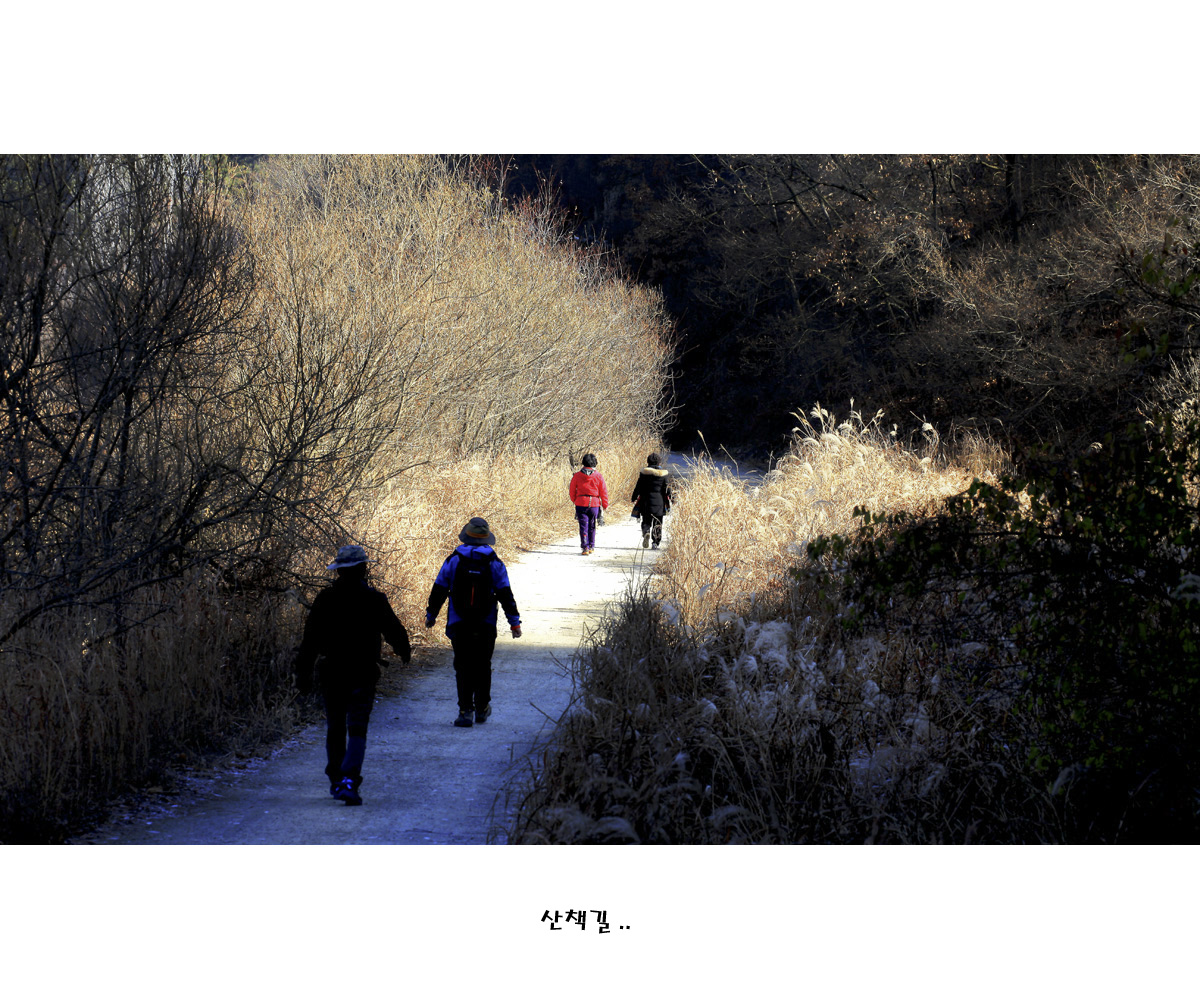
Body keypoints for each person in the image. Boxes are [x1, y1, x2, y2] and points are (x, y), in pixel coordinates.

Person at [295, 544, 411, 806]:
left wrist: (303, 672)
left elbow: (310, 640)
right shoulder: (374, 599)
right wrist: (403, 650)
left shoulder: (325, 599)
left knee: (335, 726)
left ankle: (337, 778)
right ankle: (349, 779)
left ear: (338, 571)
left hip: (332, 672)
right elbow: (393, 629)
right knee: (357, 726)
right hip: (363, 672)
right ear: (364, 569)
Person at [425, 516, 522, 727]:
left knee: (462, 666)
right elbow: (505, 593)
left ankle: (465, 711)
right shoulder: (494, 562)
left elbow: (439, 589)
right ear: (486, 538)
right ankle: (482, 708)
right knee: (483, 665)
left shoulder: (453, 560)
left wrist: (431, 615)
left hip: (459, 622)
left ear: (466, 536)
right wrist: (514, 622)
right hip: (485, 622)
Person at [568, 452, 609, 555]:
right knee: (592, 525)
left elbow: (572, 490)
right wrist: (605, 504)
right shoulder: (598, 476)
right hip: (594, 504)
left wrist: (575, 500)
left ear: (583, 462)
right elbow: (603, 491)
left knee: (583, 526)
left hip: (581, 503)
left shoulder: (577, 475)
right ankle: (591, 546)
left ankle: (585, 547)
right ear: (595, 463)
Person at [631, 452, 673, 549]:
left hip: (645, 502)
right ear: (659, 463)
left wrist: (634, 497)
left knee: (646, 521)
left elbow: (638, 487)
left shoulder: (643, 474)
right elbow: (667, 489)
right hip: (659, 503)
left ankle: (646, 532)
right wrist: (672, 498)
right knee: (657, 523)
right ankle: (655, 543)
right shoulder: (663, 475)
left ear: (648, 462)